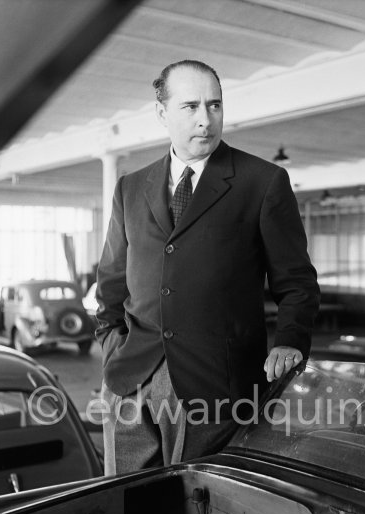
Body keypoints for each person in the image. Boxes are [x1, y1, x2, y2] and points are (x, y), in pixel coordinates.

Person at [96, 59, 320, 475]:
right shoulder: (130, 187)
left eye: (214, 105)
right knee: (120, 511)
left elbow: (297, 281)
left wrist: (290, 340)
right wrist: (111, 346)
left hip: (215, 387)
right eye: (191, 107)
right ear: (162, 112)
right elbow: (111, 280)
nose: (206, 119)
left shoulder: (263, 182)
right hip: (131, 378)